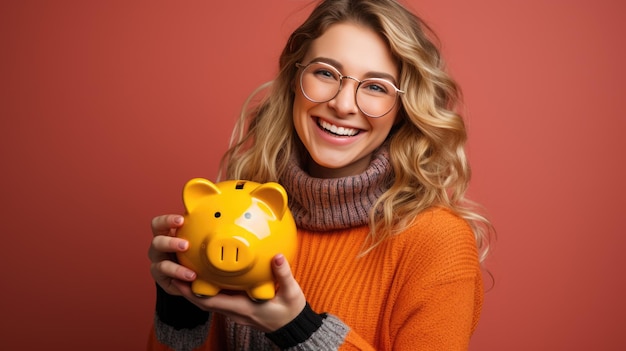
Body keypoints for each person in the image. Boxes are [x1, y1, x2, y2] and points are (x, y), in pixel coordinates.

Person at [147, 0, 494, 350]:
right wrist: (179, 305)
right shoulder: (245, 209)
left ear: (403, 109)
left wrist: (298, 329)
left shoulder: (437, 241)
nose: (343, 105)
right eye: (326, 72)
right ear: (295, 79)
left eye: (376, 87)